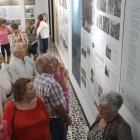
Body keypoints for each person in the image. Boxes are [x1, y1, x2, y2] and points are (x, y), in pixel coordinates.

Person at [33, 54, 72, 140]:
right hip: (55, 120)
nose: (54, 63)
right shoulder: (52, 83)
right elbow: (58, 107)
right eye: (51, 62)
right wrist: (67, 118)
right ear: (45, 68)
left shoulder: (37, 79)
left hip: (45, 117)